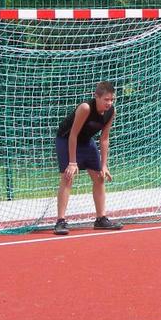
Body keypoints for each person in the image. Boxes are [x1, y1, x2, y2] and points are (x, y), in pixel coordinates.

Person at [53, 81, 124, 235]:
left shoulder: (111, 111)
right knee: (68, 177)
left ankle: (101, 219)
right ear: (96, 97)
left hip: (86, 142)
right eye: (106, 99)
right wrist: (72, 162)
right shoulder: (85, 108)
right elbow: (73, 135)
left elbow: (104, 138)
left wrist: (104, 165)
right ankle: (60, 221)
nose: (109, 103)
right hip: (66, 140)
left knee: (99, 177)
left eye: (112, 99)